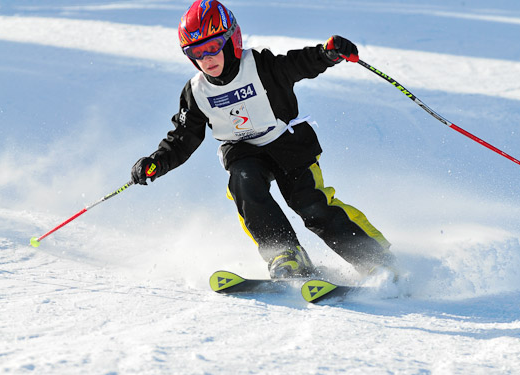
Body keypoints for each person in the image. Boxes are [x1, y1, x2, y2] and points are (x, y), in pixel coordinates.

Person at [131, 0, 398, 280]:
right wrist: (156, 163)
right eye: (197, 52)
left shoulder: (260, 66)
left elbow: (298, 64)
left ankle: (375, 258)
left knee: (310, 204)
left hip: (287, 144)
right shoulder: (196, 92)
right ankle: (285, 255)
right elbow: (182, 138)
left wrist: (327, 54)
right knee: (243, 184)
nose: (207, 58)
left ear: (231, 40)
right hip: (242, 151)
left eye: (212, 47)